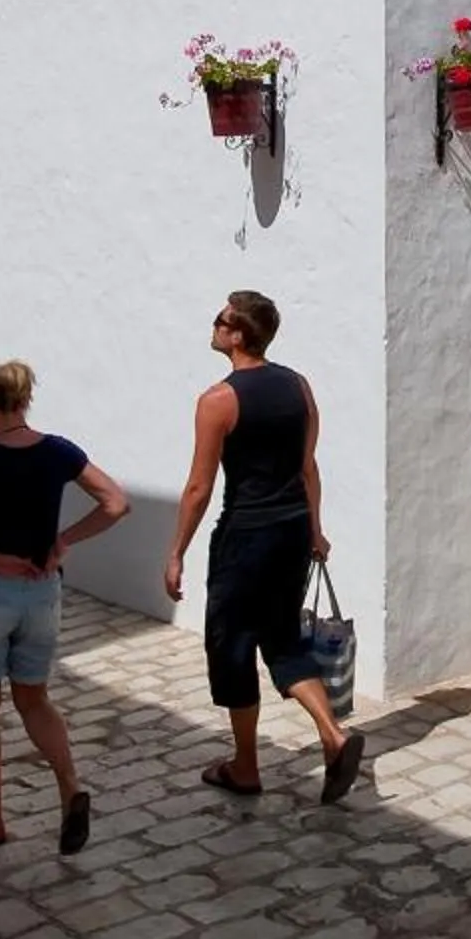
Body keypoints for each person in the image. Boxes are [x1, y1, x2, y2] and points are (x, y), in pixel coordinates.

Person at [0, 359, 129, 852]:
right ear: (26, 402)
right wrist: (63, 542)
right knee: (35, 699)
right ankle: (70, 785)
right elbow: (115, 502)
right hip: (43, 591)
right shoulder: (59, 453)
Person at [164, 290, 364, 804]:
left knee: (232, 645)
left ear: (238, 334)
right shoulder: (299, 387)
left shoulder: (218, 400)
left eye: (221, 319)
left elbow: (198, 488)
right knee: (282, 641)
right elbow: (307, 466)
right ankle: (333, 735)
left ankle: (246, 767)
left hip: (246, 538)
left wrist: (176, 552)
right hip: (293, 531)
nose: (214, 325)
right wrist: (315, 529)